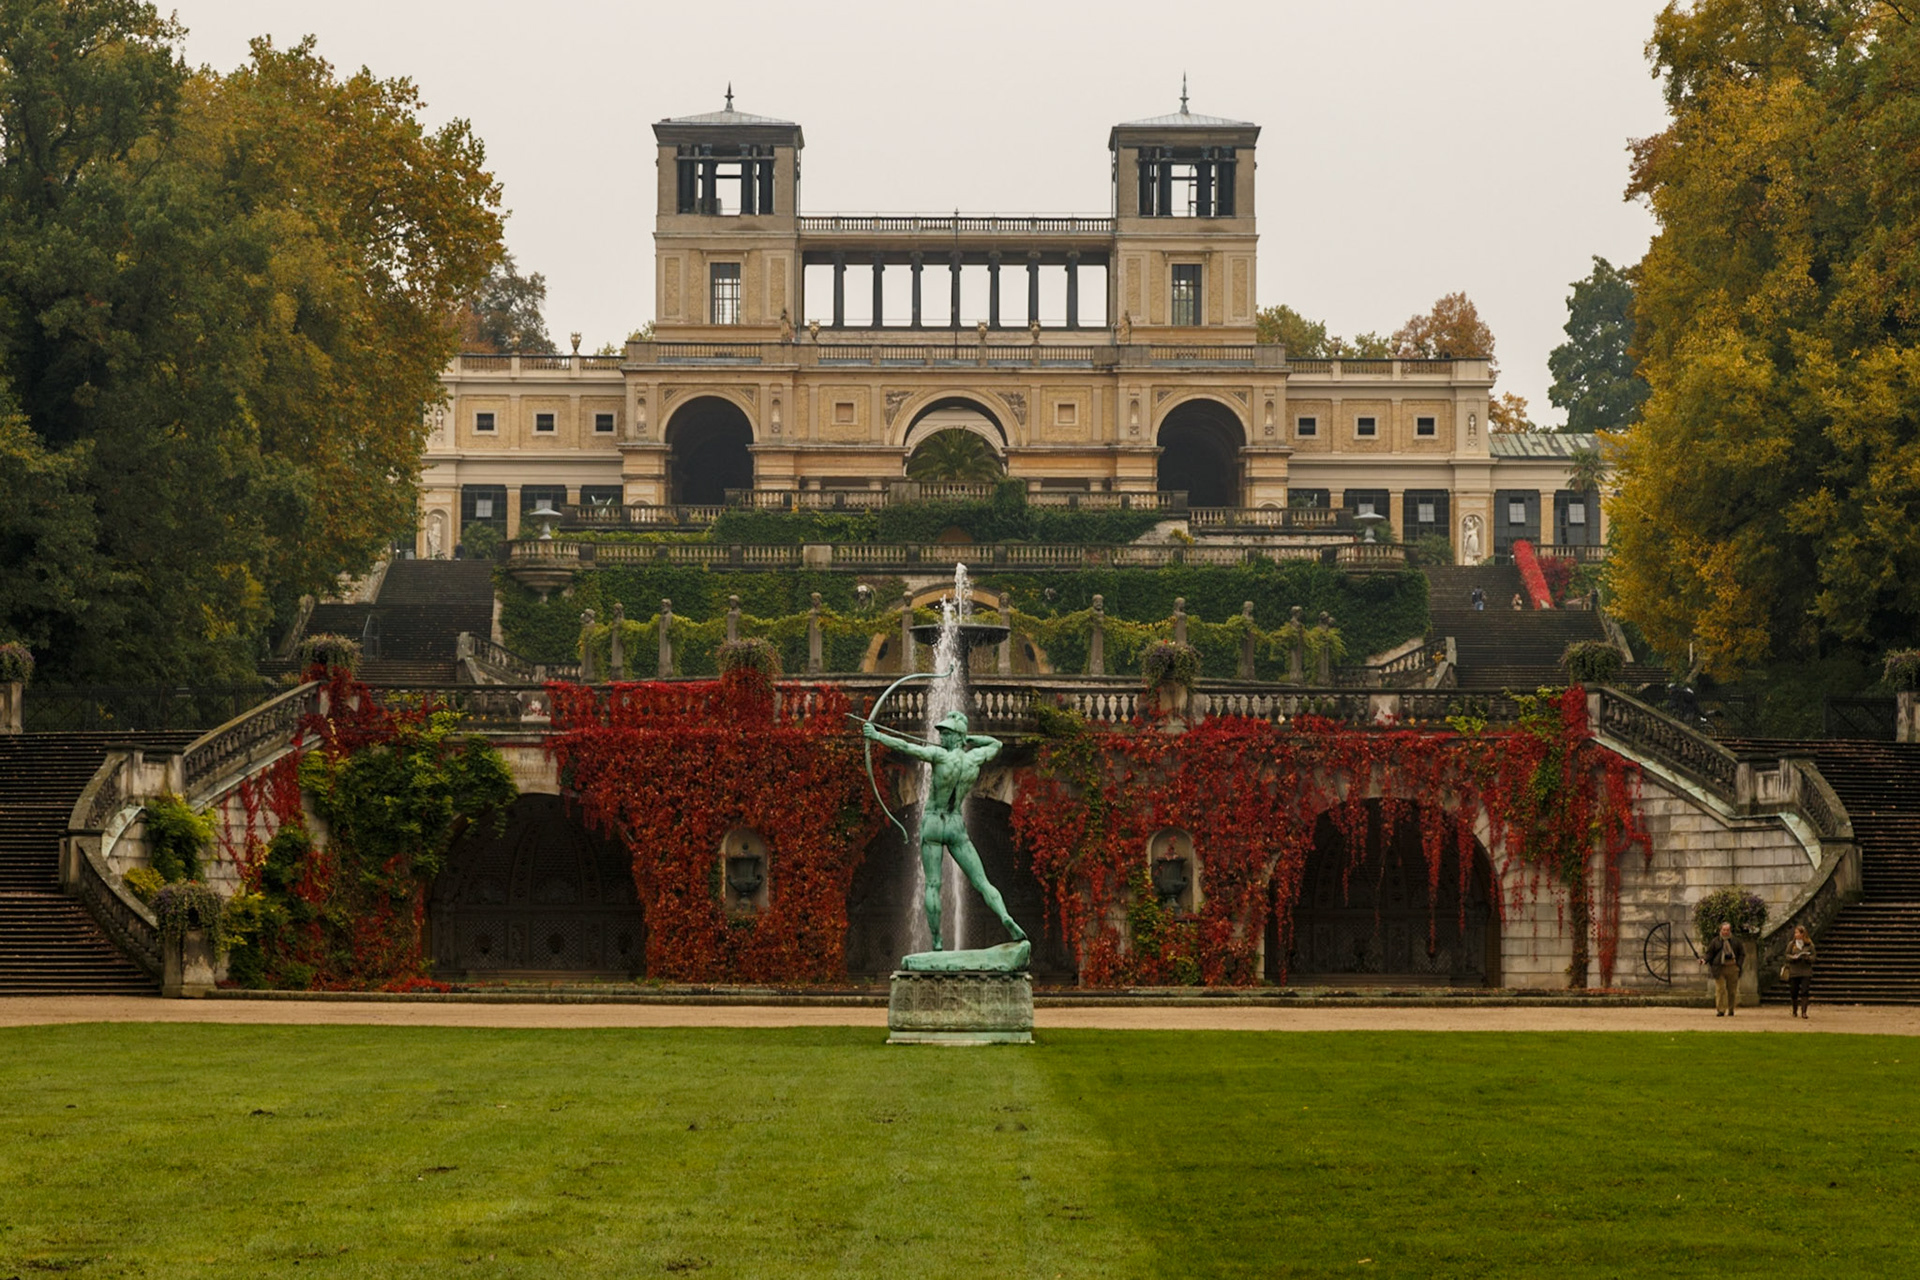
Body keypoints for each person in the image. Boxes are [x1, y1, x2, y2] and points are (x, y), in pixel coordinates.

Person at [863, 710, 1027, 950]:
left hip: (933, 823)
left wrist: (877, 736)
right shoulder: (975, 758)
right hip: (955, 824)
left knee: (932, 885)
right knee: (982, 882)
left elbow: (907, 747)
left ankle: (937, 941)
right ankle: (1005, 917)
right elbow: (996, 743)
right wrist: (969, 739)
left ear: (956, 736)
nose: (941, 737)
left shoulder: (939, 756)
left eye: (947, 734)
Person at [1705, 920, 1744, 1016]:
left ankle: (1731, 1009)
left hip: (1732, 967)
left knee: (1732, 990)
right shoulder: (1715, 941)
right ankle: (1721, 1010)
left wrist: (1738, 965)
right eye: (1724, 930)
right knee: (1720, 989)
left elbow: (1742, 954)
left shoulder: (1736, 941)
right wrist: (1704, 960)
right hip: (1720, 968)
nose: (1725, 932)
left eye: (1727, 930)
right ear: (1720, 930)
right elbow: (1709, 954)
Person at [1785, 925, 1815, 1019]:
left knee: (1805, 991)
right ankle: (1794, 1010)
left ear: (1802, 934)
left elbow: (1814, 957)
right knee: (1794, 991)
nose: (1796, 934)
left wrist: (1807, 958)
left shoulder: (1809, 945)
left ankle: (1804, 1012)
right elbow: (1786, 955)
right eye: (1795, 933)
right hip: (1794, 971)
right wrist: (1793, 958)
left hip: (1805, 971)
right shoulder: (1792, 944)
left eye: (1797, 933)